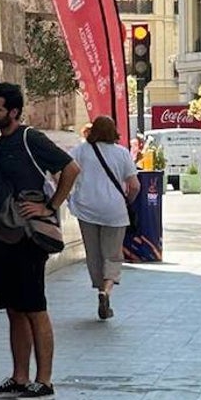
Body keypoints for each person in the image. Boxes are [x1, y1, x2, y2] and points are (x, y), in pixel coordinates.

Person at [0, 82, 80, 400]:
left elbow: (71, 168)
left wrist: (50, 207)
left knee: (35, 307)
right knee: (14, 309)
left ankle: (45, 381)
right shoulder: (1, 143)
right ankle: (20, 377)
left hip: (27, 239)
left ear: (13, 111)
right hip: (2, 238)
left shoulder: (30, 138)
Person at [68, 115, 140, 320]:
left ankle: (99, 287)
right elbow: (134, 185)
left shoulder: (81, 151)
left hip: (86, 208)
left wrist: (69, 194)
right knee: (113, 254)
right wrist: (127, 200)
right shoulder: (122, 153)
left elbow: (64, 168)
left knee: (94, 254)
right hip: (114, 210)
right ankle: (105, 291)